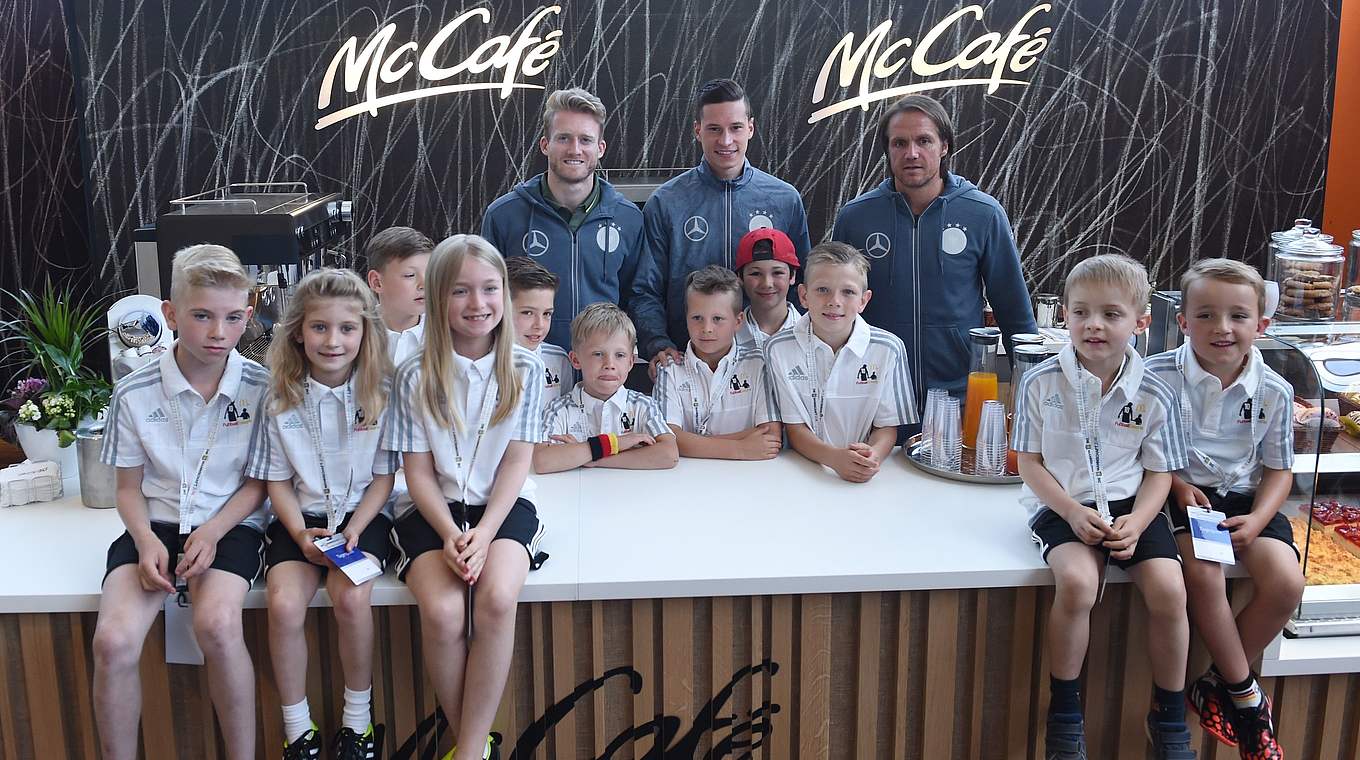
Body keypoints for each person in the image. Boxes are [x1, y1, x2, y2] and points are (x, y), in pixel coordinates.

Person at [1011, 254, 1194, 760]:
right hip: (1062, 502)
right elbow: (1029, 463)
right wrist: (1070, 512)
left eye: (1111, 314)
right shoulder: (1039, 382)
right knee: (1077, 582)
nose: (1093, 324)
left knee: (1170, 590)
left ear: (1140, 322)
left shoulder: (1157, 391)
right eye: (1081, 312)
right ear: (1063, 315)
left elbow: (1160, 472)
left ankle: (1170, 716)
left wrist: (1138, 521)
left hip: (1134, 505)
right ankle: (1065, 716)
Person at [92, 244, 269, 760]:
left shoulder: (261, 388)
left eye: (233, 318)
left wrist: (213, 532)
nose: (219, 333)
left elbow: (259, 484)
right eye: (202, 316)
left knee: (216, 624)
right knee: (113, 643)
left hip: (230, 525)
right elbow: (128, 488)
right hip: (156, 523)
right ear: (170, 315)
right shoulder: (133, 392)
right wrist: (145, 539)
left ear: (248, 316)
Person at [381, 235, 547, 760]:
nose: (477, 305)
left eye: (489, 289)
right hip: (431, 510)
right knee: (446, 612)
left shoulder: (525, 368)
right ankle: (474, 748)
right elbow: (417, 472)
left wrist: (486, 532)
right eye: (460, 292)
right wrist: (453, 534)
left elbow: (518, 462)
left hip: (501, 506)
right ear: (436, 298)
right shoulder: (411, 373)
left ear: (504, 294)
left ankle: (469, 751)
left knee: (497, 599)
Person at [1145, 258, 1301, 759]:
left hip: (1248, 500)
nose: (1223, 328)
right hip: (1185, 493)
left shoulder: (1275, 390)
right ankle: (1248, 700)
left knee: (1287, 583)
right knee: (1206, 575)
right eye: (1206, 315)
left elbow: (1280, 470)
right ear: (1184, 321)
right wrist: (1175, 482)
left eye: (1238, 316)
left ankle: (1214, 682)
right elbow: (1135, 446)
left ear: (1262, 325)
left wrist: (1259, 519)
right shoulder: (1154, 376)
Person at [246, 269, 397, 758]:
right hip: (301, 520)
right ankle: (298, 729)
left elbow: (384, 477)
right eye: (320, 328)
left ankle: (358, 722)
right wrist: (299, 532)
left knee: (351, 600)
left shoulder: (382, 393)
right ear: (297, 331)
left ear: (365, 333)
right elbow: (277, 481)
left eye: (346, 329)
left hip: (361, 519)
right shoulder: (278, 396)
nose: (333, 341)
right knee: (285, 606)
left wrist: (354, 527)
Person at [830, 94, 1036, 403]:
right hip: (873, 395)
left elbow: (1015, 313)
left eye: (924, 141)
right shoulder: (856, 217)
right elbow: (835, 308)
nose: (911, 153)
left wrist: (1033, 395)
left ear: (944, 146)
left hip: (960, 396)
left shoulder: (982, 213)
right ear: (887, 150)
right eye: (899, 143)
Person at [632, 78, 812, 377]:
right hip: (687, 365)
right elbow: (645, 290)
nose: (726, 141)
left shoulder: (784, 199)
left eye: (735, 128)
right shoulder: (666, 202)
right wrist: (658, 343)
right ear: (697, 130)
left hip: (769, 365)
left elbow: (801, 283)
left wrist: (796, 346)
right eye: (714, 129)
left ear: (750, 128)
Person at [480, 87, 645, 349]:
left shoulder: (628, 218)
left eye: (586, 140)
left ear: (600, 148)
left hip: (599, 373)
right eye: (564, 138)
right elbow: (487, 298)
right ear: (545, 145)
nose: (575, 149)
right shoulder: (503, 215)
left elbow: (637, 297)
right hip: (527, 367)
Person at [762, 242, 915, 482]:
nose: (834, 301)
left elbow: (886, 427)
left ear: (864, 300)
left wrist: (871, 456)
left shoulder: (888, 349)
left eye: (848, 292)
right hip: (799, 473)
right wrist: (834, 459)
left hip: (864, 475)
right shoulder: (778, 349)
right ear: (804, 295)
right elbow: (794, 428)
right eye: (822, 289)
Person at [652, 265, 782, 460]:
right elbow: (667, 439)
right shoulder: (669, 369)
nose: (707, 329)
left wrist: (692, 441)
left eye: (718, 319)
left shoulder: (759, 364)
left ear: (738, 321)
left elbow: (770, 437)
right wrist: (740, 448)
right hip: (684, 481)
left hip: (748, 478)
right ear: (686, 319)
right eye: (697, 318)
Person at [534, 303, 678, 473]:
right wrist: (614, 444)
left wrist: (593, 457)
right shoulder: (559, 409)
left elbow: (669, 454)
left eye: (620, 355)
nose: (609, 364)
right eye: (598, 354)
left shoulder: (643, 405)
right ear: (575, 360)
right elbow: (543, 461)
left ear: (631, 362)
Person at [506, 255, 574, 410]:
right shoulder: (484, 361)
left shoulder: (559, 360)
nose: (540, 325)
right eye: (527, 313)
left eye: (547, 314)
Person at [364, 225, 434, 365]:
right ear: (377, 282)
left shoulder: (444, 334)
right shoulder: (357, 334)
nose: (423, 284)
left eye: (429, 273)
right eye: (410, 275)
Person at [733, 227, 801, 350]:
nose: (767, 284)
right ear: (740, 277)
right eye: (755, 274)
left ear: (792, 276)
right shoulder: (727, 338)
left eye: (777, 273)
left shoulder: (813, 333)